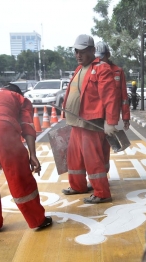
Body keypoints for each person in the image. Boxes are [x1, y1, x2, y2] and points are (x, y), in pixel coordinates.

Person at [0, 83, 52, 232]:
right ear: (18, 92)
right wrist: (32, 155)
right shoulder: (20, 99)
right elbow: (27, 126)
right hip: (2, 130)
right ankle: (37, 220)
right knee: (19, 177)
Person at [61, 34, 121, 204]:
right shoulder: (79, 69)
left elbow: (110, 97)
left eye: (82, 51)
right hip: (76, 122)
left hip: (91, 122)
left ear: (92, 51)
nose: (78, 55)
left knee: (92, 159)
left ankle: (102, 192)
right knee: (74, 157)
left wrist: (110, 121)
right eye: (76, 51)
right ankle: (78, 186)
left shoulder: (101, 68)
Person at [94, 41, 131, 171]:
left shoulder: (118, 72)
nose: (99, 60)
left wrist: (126, 118)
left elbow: (123, 97)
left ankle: (103, 176)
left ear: (108, 55)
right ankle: (96, 178)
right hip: (95, 117)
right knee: (93, 148)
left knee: (106, 147)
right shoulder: (92, 70)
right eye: (96, 57)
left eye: (101, 57)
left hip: (110, 117)